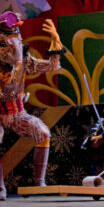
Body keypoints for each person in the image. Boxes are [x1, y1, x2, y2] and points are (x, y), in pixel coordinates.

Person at [0, 12, 64, 200]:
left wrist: (55, 41)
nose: (15, 40)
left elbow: (52, 66)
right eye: (9, 37)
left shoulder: (25, 60)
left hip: (17, 112)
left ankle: (39, 183)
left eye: (16, 35)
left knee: (43, 133)